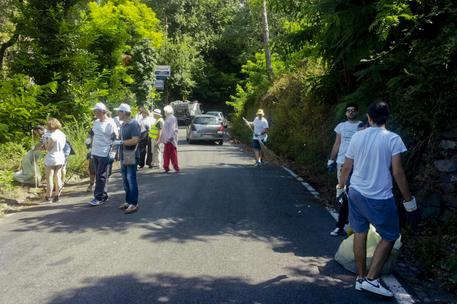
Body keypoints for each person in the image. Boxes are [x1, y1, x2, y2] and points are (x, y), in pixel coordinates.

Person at [337, 101, 419, 297]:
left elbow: (347, 167)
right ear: (387, 118)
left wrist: (340, 187)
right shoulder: (393, 139)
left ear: (368, 117)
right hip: (379, 196)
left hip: (355, 192)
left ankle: (360, 278)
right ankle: (371, 280)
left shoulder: (357, 137)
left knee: (359, 232)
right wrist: (409, 201)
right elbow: (398, 172)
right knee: (390, 235)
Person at [327, 103, 362, 236]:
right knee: (343, 194)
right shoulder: (341, 126)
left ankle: (345, 225)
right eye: (348, 111)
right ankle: (346, 224)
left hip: (357, 164)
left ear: (357, 112)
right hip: (341, 162)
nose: (351, 112)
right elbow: (337, 143)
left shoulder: (362, 126)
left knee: (351, 194)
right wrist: (331, 159)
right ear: (345, 113)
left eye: (353, 110)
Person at [88, 102, 118, 206]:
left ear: (102, 112)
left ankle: (98, 197)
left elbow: (115, 136)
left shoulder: (110, 122)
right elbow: (92, 133)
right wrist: (88, 141)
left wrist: (113, 153)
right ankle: (103, 195)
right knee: (99, 174)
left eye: (96, 111)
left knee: (101, 175)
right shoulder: (96, 122)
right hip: (95, 152)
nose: (94, 113)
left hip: (104, 152)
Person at [114, 103, 141, 214]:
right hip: (124, 154)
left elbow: (135, 140)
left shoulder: (134, 124)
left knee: (130, 178)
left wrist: (120, 142)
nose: (117, 113)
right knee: (125, 179)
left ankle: (133, 203)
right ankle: (128, 201)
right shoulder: (123, 124)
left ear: (124, 113)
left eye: (119, 111)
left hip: (130, 154)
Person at [43, 118, 66, 202]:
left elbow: (48, 148)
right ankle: (57, 195)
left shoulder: (51, 136)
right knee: (58, 176)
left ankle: (48, 196)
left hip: (51, 157)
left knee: (49, 177)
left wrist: (45, 144)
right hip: (60, 156)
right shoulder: (62, 134)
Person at [159, 105, 180, 173]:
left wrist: (169, 138)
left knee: (171, 155)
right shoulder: (169, 118)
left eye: (165, 111)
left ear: (167, 111)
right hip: (168, 139)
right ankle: (167, 167)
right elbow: (166, 130)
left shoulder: (172, 118)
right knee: (167, 155)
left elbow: (173, 129)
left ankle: (174, 167)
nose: (164, 112)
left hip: (170, 140)